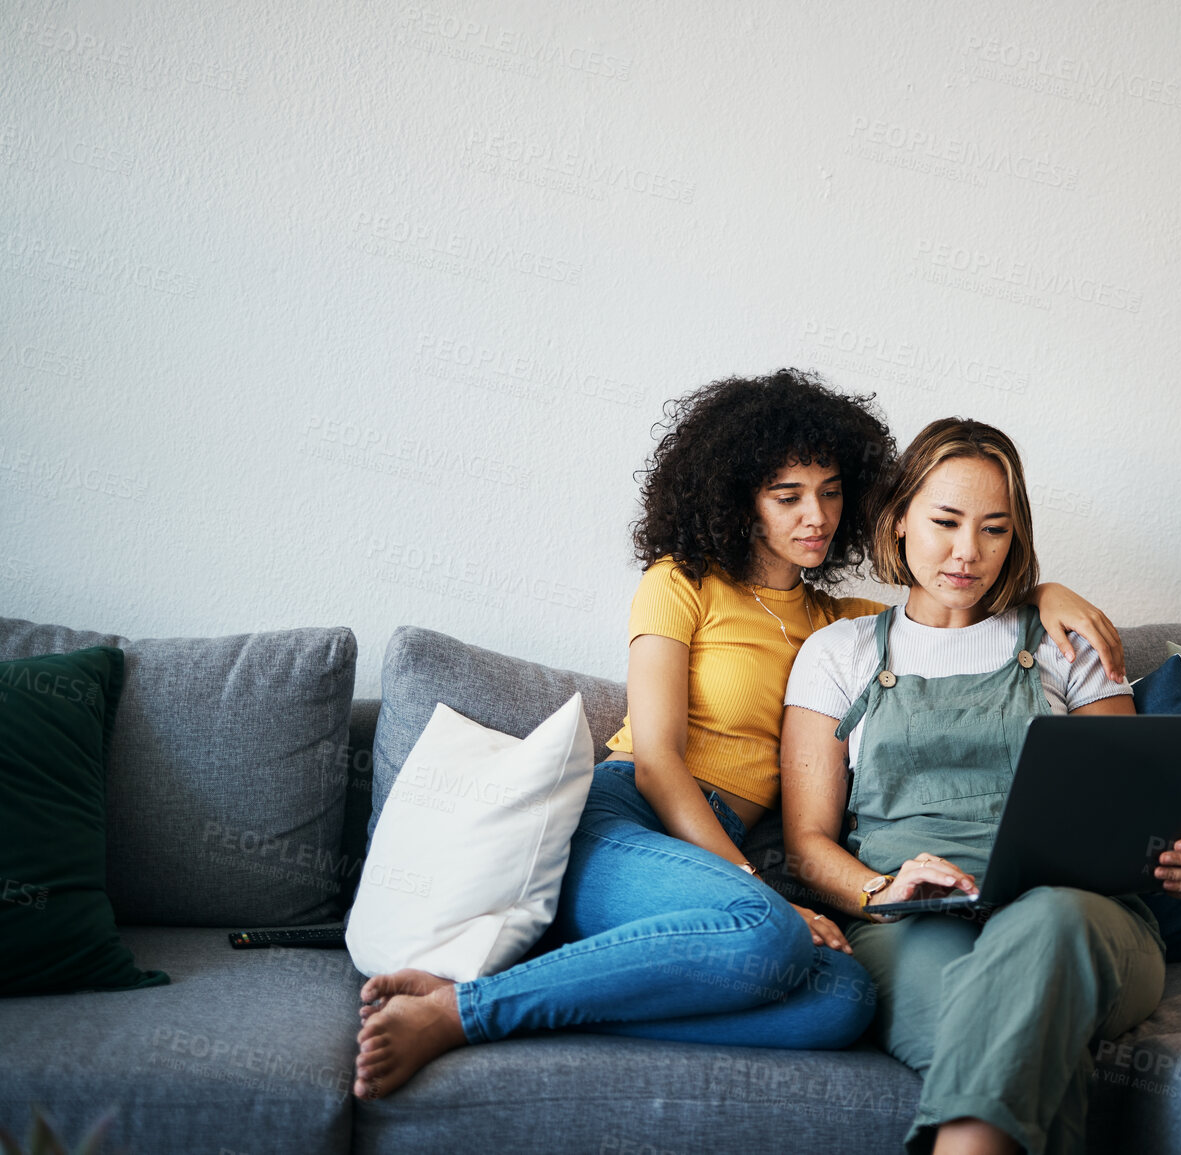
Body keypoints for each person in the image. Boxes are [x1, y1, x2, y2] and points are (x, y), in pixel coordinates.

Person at [352, 373, 1128, 1100]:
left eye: (829, 493)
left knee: (843, 1000)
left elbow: (948, 605)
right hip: (627, 820)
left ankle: (552, 998)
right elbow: (656, 762)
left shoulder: (843, 625)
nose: (814, 517)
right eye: (785, 496)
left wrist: (1043, 588)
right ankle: (462, 1012)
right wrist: (755, 888)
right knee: (765, 930)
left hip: (714, 851)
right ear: (737, 498)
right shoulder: (678, 584)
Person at [779, 417, 1181, 1155]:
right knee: (1008, 1024)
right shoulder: (838, 654)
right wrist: (878, 891)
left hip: (1082, 917)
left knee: (1046, 922)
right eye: (945, 521)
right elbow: (805, 844)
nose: (967, 552)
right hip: (913, 925)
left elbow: (1141, 805)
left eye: (994, 528)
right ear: (897, 520)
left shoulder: (1066, 644)